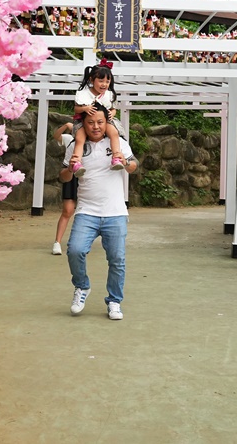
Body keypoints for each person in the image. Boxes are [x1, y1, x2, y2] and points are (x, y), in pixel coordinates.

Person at [59, 103, 138, 320]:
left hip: (115, 212)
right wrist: (69, 168)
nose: (96, 127)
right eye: (91, 122)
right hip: (87, 211)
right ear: (83, 124)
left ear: (107, 122)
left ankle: (114, 301)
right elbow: (64, 177)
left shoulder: (118, 142)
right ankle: (82, 287)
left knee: (117, 259)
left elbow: (133, 165)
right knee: (74, 250)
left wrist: (125, 163)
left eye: (100, 122)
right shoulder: (77, 145)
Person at [68, 60, 126, 177]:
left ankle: (116, 157)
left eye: (107, 81)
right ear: (91, 80)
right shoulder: (83, 93)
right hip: (84, 121)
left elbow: (114, 109)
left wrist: (112, 114)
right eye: (100, 81)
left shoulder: (109, 94)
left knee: (114, 133)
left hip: (104, 121)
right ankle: (77, 162)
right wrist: (85, 109)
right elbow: (76, 109)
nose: (104, 84)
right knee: (80, 139)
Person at [52, 122, 75, 255]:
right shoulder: (69, 138)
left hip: (89, 175)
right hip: (71, 173)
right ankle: (57, 242)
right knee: (67, 210)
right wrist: (66, 125)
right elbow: (56, 136)